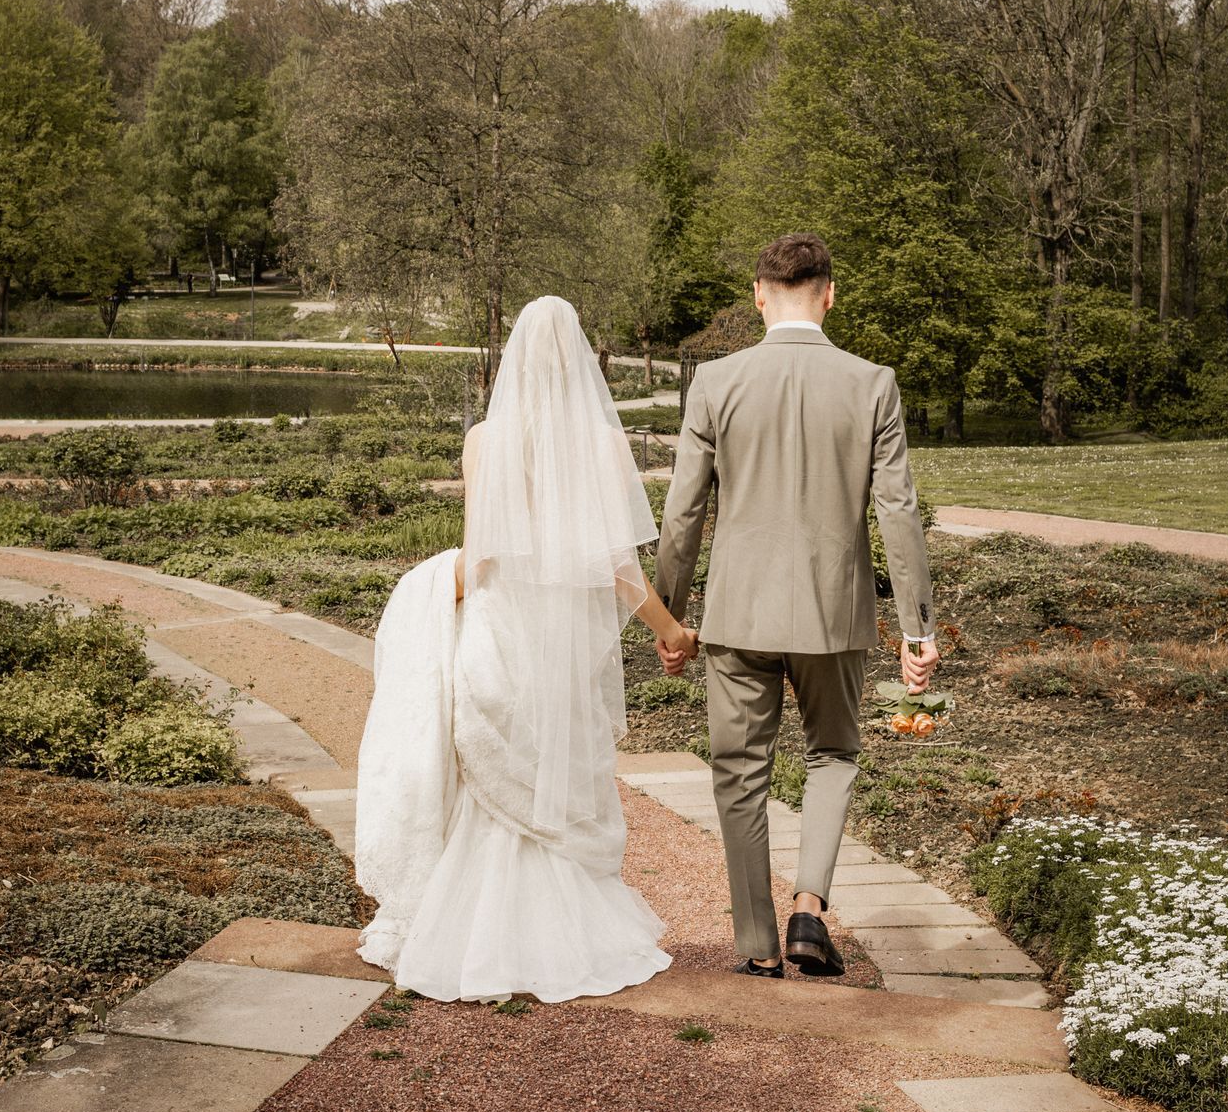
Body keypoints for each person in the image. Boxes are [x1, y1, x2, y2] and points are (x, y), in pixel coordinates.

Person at [352, 296, 692, 1002]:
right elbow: (620, 571)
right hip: (556, 659)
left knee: (489, 801)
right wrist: (671, 631)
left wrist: (420, 591)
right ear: (578, 361)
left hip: (495, 644)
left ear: (514, 361)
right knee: (552, 794)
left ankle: (466, 938)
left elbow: (478, 562)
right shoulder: (601, 445)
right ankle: (562, 939)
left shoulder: (486, 441)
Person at [653, 233, 940, 979]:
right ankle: (809, 911)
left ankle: (755, 943)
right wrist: (917, 628)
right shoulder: (871, 382)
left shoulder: (714, 383)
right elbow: (898, 513)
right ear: (830, 294)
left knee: (739, 771)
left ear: (758, 295)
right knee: (834, 755)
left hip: (737, 616)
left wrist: (669, 615)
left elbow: (684, 512)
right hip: (833, 615)